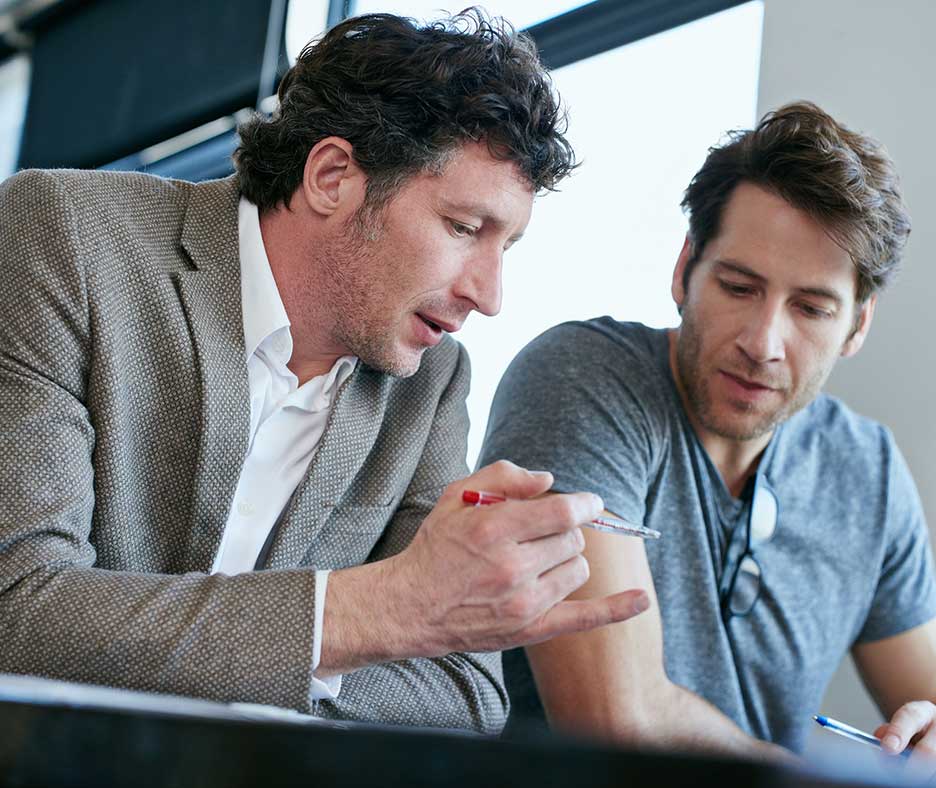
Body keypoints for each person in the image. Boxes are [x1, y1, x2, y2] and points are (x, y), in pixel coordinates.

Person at [0, 11, 649, 733]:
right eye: (465, 229)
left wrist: (335, 634)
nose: (489, 295)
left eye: (509, 245)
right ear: (333, 176)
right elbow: (17, 608)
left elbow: (465, 698)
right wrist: (383, 608)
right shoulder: (63, 237)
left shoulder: (430, 385)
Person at [479, 101, 936, 758]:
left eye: (811, 308)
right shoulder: (582, 379)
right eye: (739, 287)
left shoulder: (868, 472)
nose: (763, 342)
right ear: (684, 271)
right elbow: (618, 720)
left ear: (857, 327)